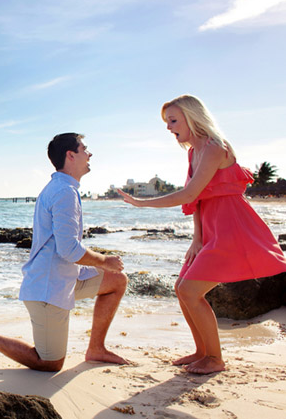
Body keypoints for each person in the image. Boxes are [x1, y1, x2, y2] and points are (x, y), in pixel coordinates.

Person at [117, 94, 286, 375]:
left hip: (232, 228)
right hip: (210, 229)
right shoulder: (193, 152)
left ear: (191, 117)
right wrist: (197, 238)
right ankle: (202, 351)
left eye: (173, 120)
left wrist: (142, 204)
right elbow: (197, 201)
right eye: (167, 122)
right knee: (181, 288)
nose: (169, 127)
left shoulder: (214, 147)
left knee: (190, 290)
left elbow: (190, 193)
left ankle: (215, 359)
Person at [0, 133, 129, 372]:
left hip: (67, 279)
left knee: (117, 281)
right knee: (50, 363)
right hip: (47, 289)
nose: (89, 153)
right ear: (70, 155)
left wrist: (103, 267)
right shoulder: (63, 192)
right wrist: (105, 260)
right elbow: (68, 249)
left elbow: (65, 250)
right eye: (85, 149)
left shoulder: (65, 188)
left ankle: (96, 349)